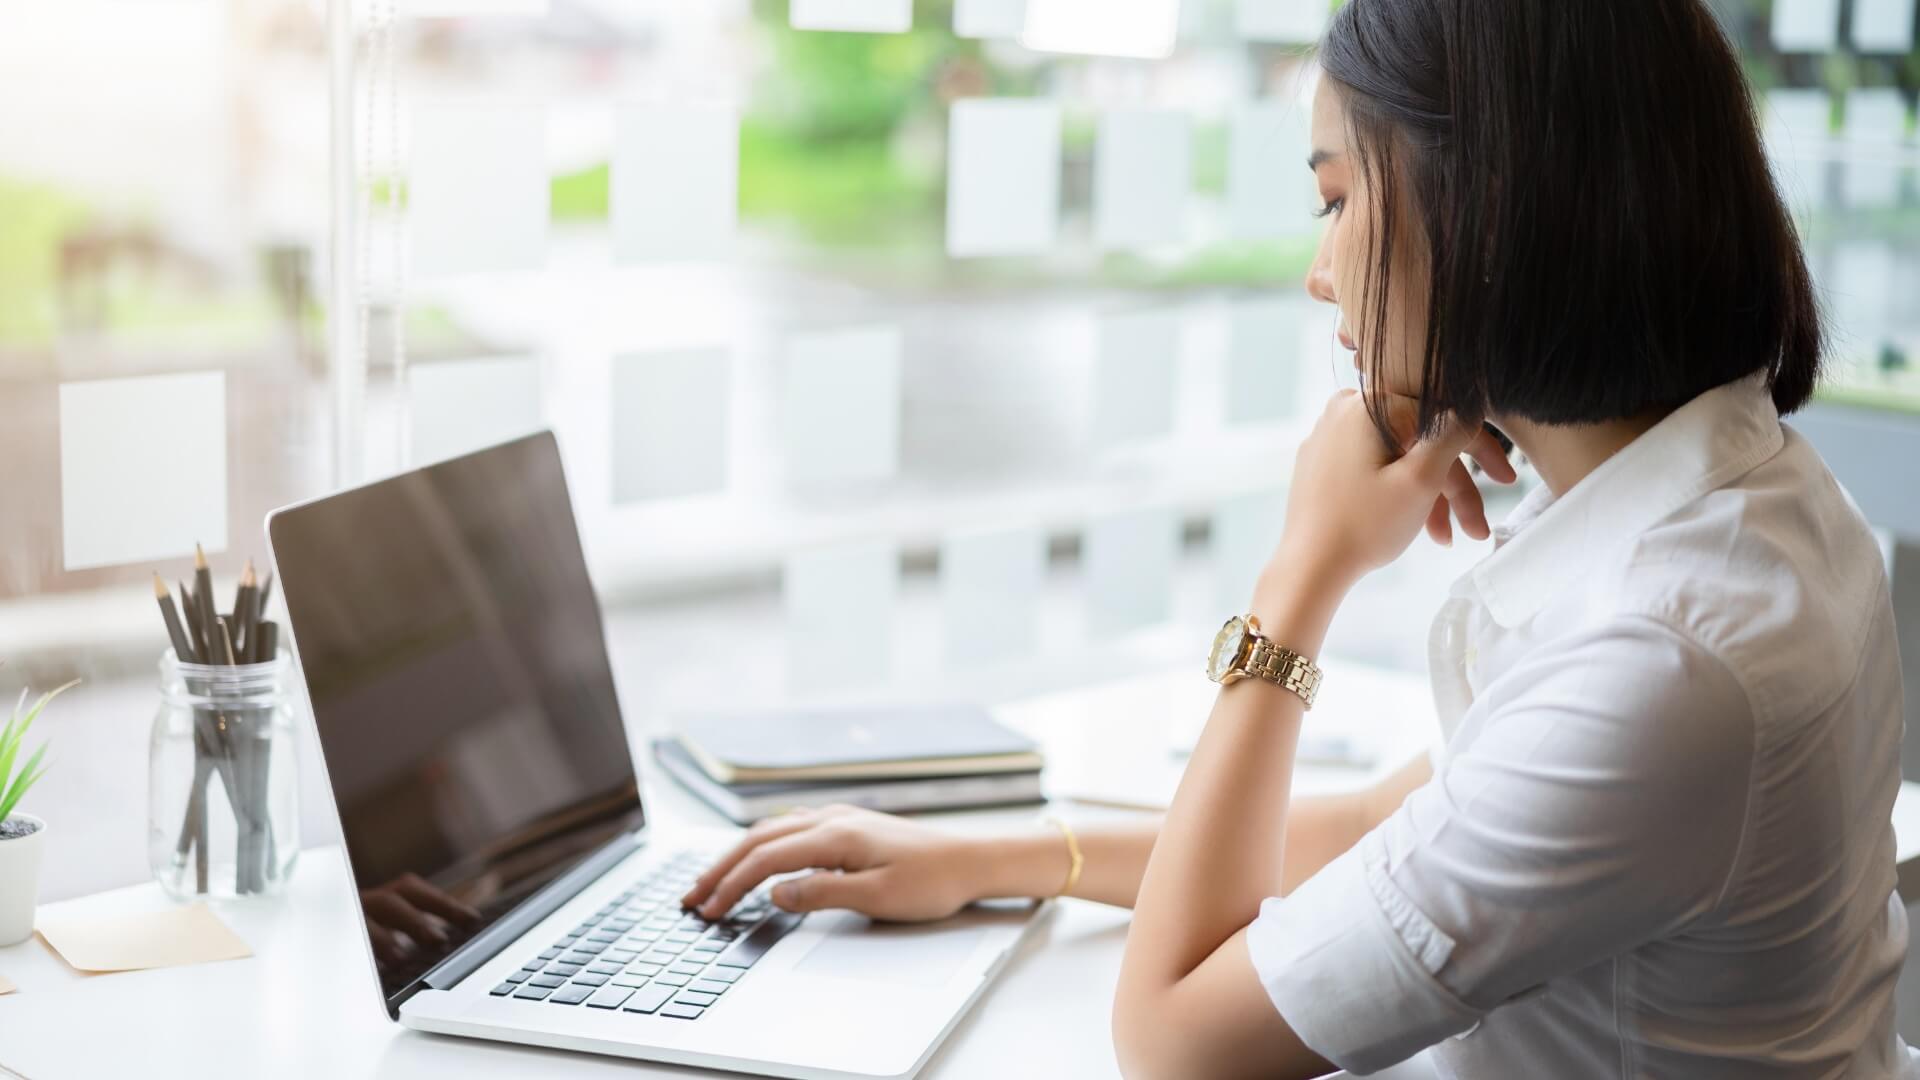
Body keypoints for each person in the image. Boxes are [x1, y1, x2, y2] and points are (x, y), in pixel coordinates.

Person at [683, 0, 1911, 1076]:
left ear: (1488, 206)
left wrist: (1302, 574)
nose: (1322, 276)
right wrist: (996, 856)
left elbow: (1173, 1043)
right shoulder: (1757, 502)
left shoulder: (1665, 661)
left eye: (1336, 199)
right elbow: (1375, 833)